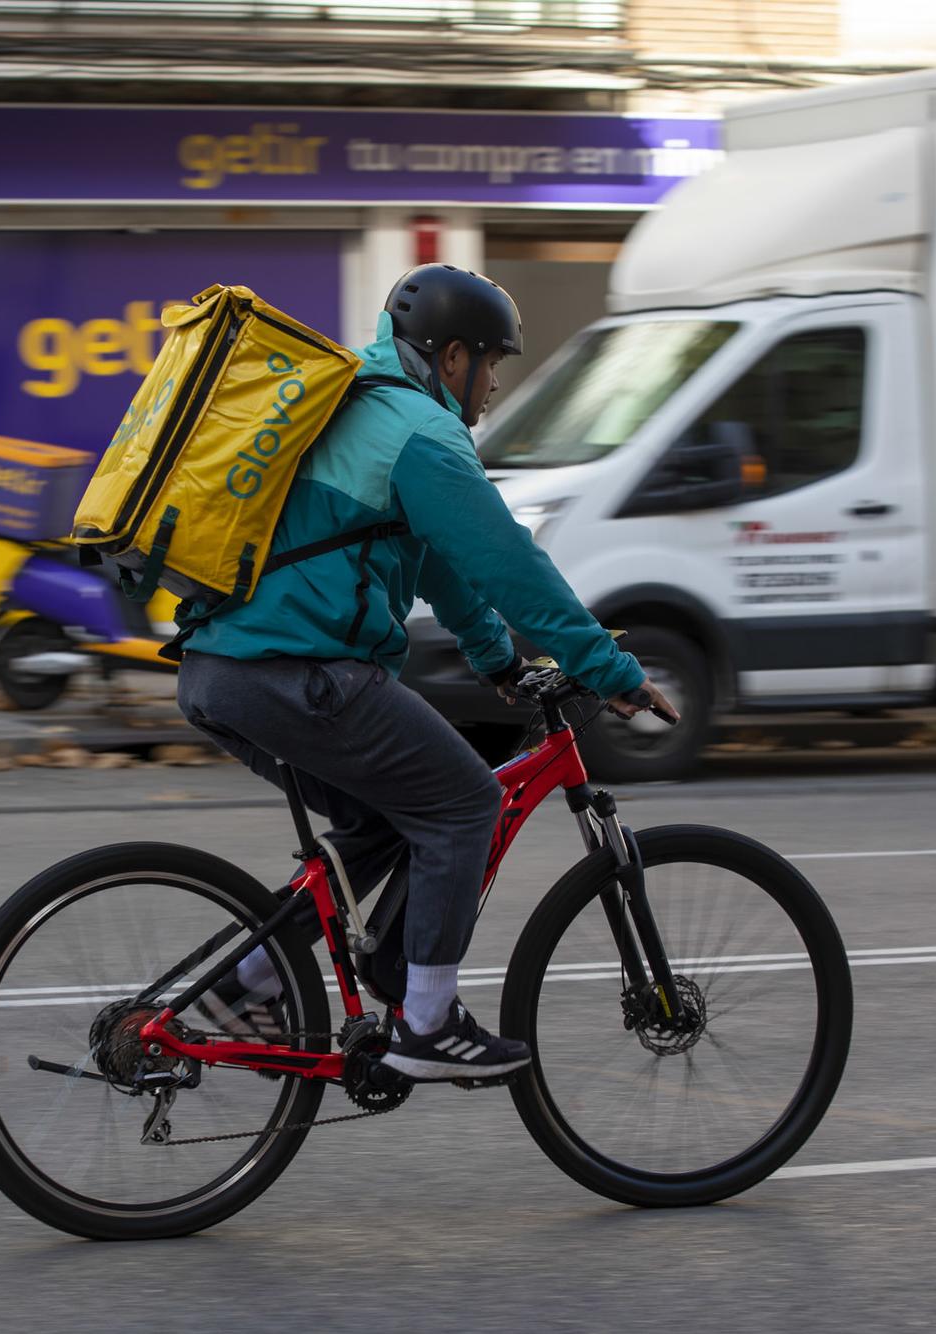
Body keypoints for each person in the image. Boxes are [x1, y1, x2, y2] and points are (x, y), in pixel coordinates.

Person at [177, 263, 679, 1083]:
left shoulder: (364, 408)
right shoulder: (420, 431)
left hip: (222, 671)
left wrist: (498, 660)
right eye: (493, 365)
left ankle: (247, 986)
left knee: (382, 821)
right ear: (453, 358)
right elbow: (509, 563)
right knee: (465, 804)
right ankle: (427, 1022)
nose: (490, 388)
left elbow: (442, 566)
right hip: (298, 671)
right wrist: (605, 665)